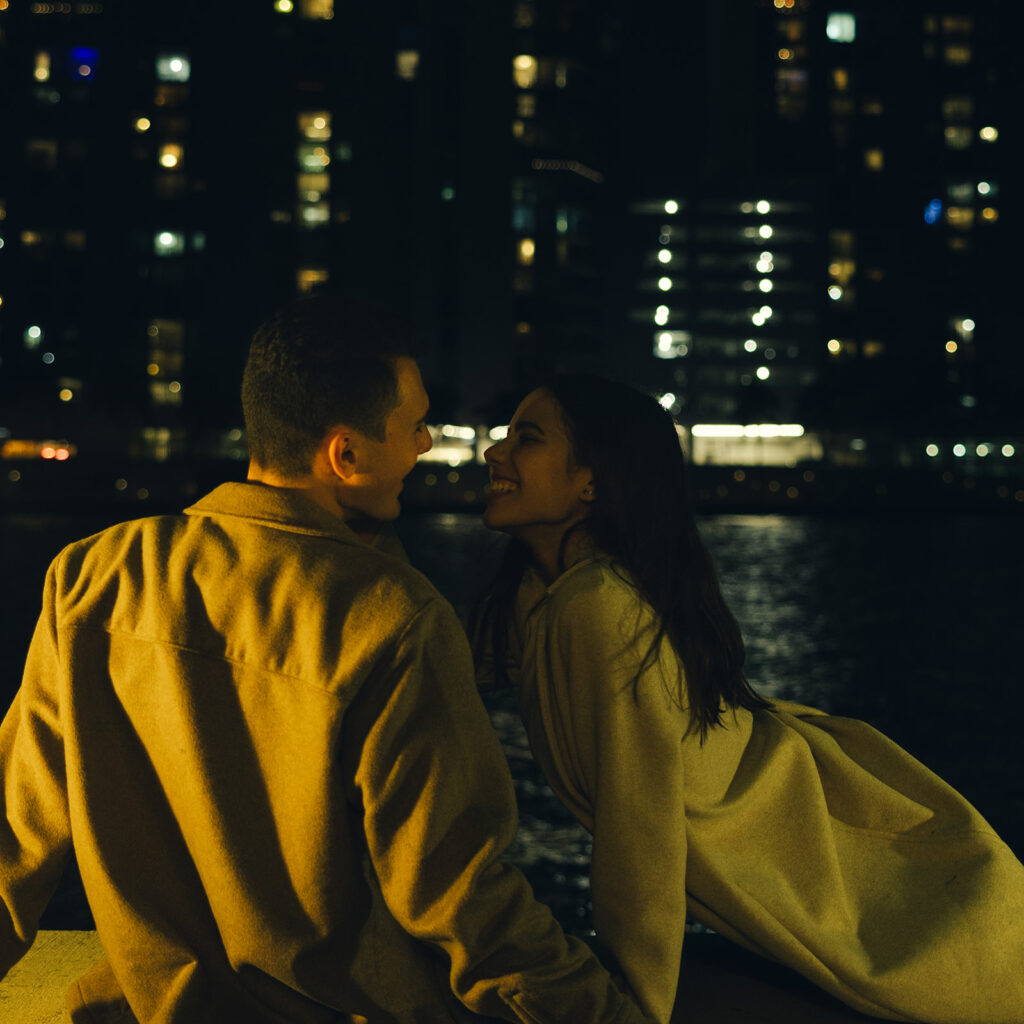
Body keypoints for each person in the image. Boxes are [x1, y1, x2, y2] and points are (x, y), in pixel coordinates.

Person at [0, 297, 655, 1024]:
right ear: (344, 455)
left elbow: (13, 841)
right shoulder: (392, 618)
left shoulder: (94, 576)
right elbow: (463, 898)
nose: (425, 446)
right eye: (413, 428)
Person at [475, 373, 1024, 1024]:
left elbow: (639, 822)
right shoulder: (543, 599)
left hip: (801, 837)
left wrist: (635, 1003)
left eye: (526, 439)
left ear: (590, 482)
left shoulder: (599, 608)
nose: (493, 452)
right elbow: (446, 671)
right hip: (780, 816)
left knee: (959, 954)